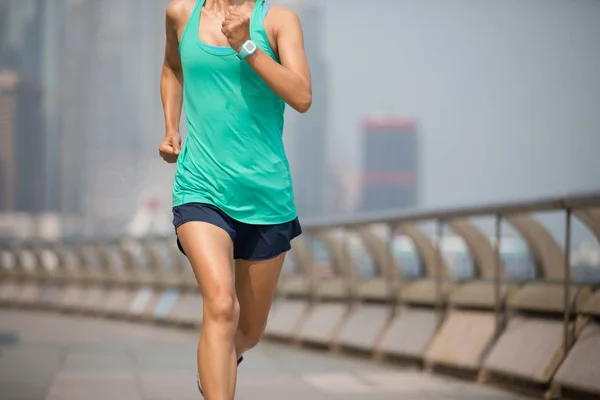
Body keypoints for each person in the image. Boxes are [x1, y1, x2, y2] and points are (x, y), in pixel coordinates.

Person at [159, 0, 311, 398]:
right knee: (222, 305)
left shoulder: (278, 21)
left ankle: (222, 360)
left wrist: (247, 46)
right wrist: (171, 127)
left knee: (247, 331)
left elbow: (302, 96)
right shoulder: (181, 13)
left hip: (266, 196)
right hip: (201, 187)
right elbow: (173, 68)